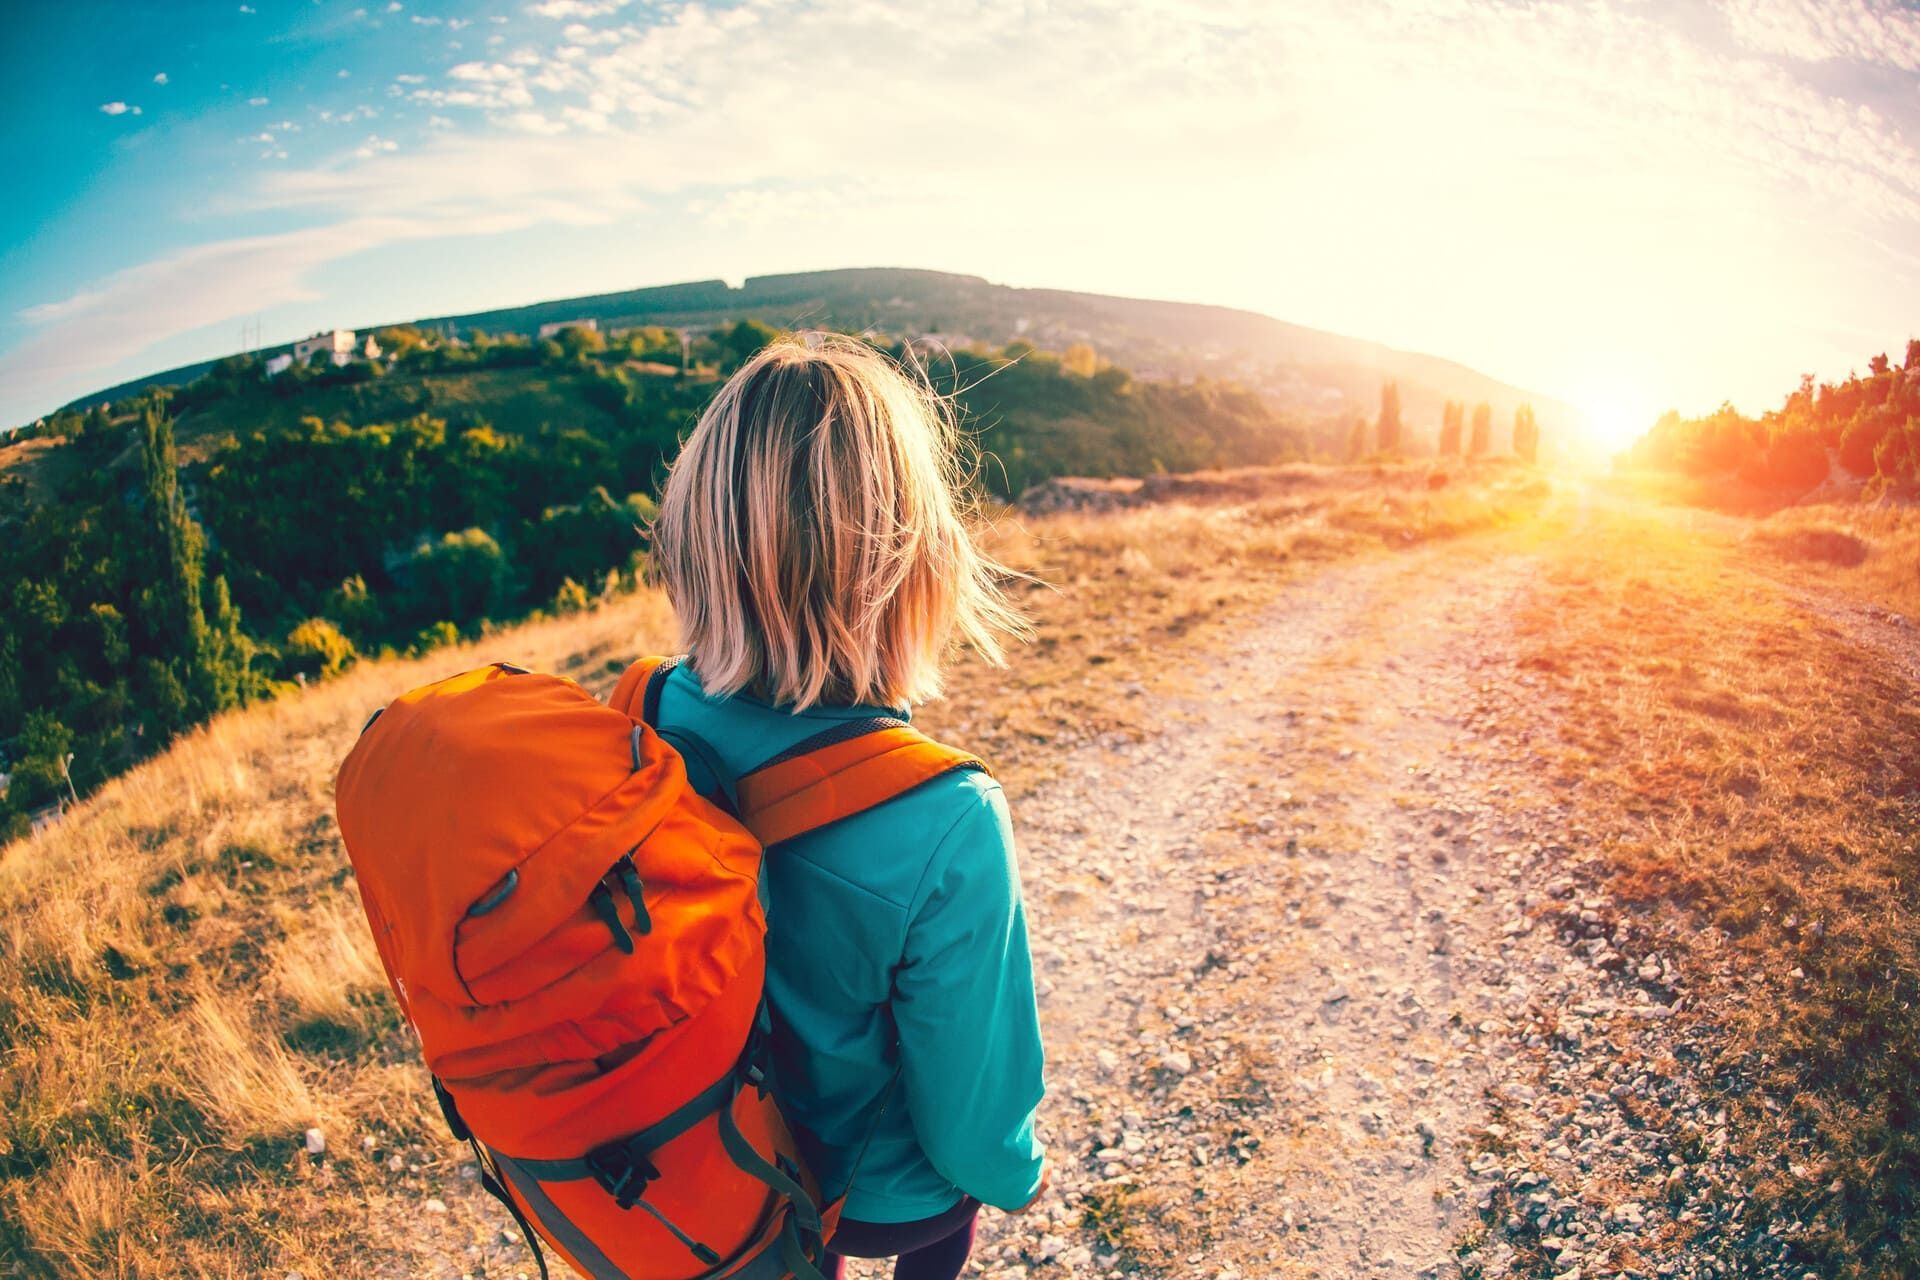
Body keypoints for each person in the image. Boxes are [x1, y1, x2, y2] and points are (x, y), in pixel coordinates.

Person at [646, 333, 1049, 1280]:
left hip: (702, 1166)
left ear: (699, 547)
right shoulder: (950, 820)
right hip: (886, 1203)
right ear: (914, 560)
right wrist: (1017, 1172)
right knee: (937, 1209)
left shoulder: (648, 720)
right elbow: (969, 1125)